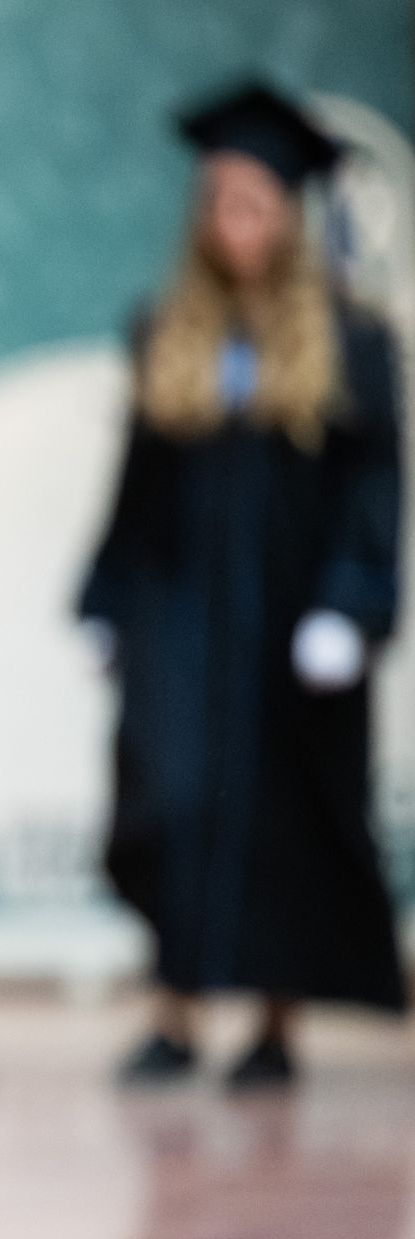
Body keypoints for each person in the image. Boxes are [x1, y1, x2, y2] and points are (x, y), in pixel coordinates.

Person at [80, 80, 407, 1089]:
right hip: (179, 622)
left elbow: (372, 489)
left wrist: (350, 607)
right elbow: (137, 485)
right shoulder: (165, 331)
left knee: (282, 820)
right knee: (169, 806)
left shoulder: (352, 344)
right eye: (219, 203)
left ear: (288, 216)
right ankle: (174, 1014)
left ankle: (274, 1025)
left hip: (290, 625)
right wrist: (107, 601)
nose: (234, 223)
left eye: (254, 205)